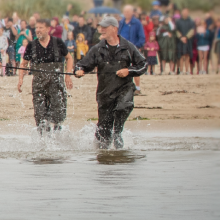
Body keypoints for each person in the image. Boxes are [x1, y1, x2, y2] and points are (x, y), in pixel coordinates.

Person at [75, 15, 148, 149]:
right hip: (104, 93)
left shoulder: (127, 46)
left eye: (104, 27)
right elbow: (82, 64)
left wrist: (129, 71)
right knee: (103, 133)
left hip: (124, 88)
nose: (101, 30)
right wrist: (79, 70)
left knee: (124, 106)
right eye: (100, 27)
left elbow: (143, 65)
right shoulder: (97, 48)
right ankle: (104, 156)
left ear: (114, 29)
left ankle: (118, 132)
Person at [17, 20, 74, 134]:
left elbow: (69, 58)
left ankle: (57, 136)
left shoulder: (58, 42)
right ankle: (44, 139)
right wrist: (20, 79)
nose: (38, 30)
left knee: (58, 114)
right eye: (37, 28)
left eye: (41, 27)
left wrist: (68, 75)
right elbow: (23, 63)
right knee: (40, 114)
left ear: (48, 29)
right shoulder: (31, 45)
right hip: (39, 85)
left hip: (56, 84)